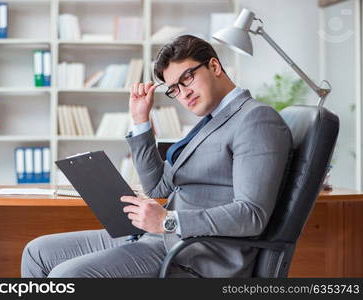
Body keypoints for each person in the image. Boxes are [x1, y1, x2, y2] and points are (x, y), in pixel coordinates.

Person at [21, 35, 292, 278]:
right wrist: (141, 121)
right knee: (37, 252)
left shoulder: (255, 119)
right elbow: (157, 187)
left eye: (187, 78)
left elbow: (252, 214)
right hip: (158, 237)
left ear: (214, 66)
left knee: (68, 275)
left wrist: (167, 221)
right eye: (174, 88)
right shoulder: (209, 122)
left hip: (194, 255)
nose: (183, 93)